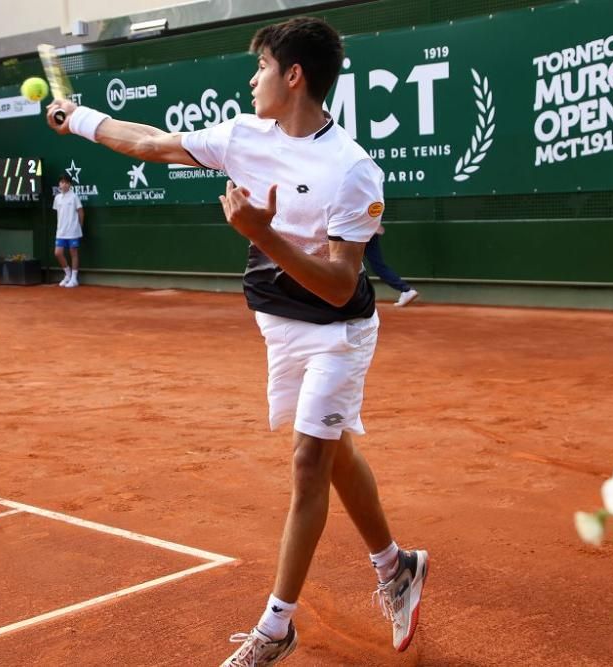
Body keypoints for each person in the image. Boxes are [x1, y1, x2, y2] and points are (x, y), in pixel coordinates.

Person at [46, 16, 428, 666]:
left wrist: (262, 233)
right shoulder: (242, 135)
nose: (252, 81)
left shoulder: (351, 169)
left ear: (294, 76)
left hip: (337, 331)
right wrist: (78, 117)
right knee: (334, 456)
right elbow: (152, 144)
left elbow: (340, 285)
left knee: (310, 461)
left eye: (260, 69)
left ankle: (276, 627)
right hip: (278, 326)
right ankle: (398, 566)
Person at [364, 228, 419, 307]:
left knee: (350, 265)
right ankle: (406, 289)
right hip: (367, 230)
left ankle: (406, 290)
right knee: (378, 266)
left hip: (355, 232)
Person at [52, 173, 84, 288]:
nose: (63, 184)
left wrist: (79, 226)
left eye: (65, 182)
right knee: (58, 253)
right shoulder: (57, 198)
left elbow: (81, 212)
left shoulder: (74, 197)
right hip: (61, 232)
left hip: (73, 231)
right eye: (61, 182)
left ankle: (74, 279)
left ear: (69, 184)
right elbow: (58, 215)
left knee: (73, 253)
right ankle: (68, 274)